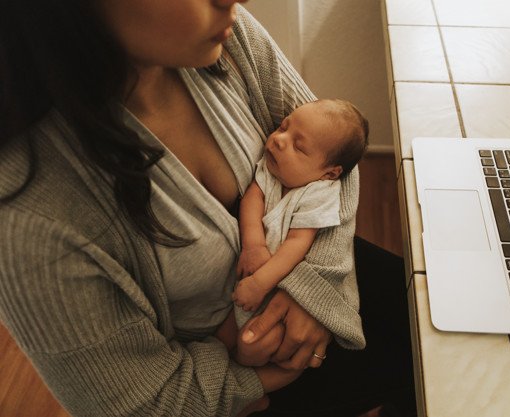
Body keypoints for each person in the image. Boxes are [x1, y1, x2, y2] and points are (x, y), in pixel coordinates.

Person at [0, 1, 416, 416]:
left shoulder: (224, 35)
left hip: (299, 270)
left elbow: (338, 155)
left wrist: (314, 288)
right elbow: (142, 403)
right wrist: (251, 382)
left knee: (437, 330)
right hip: (230, 379)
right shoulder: (27, 213)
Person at [216, 99, 369, 366]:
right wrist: (253, 246)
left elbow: (297, 244)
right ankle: (231, 380)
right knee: (221, 339)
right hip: (247, 282)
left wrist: (260, 283)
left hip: (281, 287)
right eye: (283, 127)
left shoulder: (319, 194)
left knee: (257, 343)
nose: (279, 140)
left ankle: (258, 381)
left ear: (328, 173)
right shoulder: (272, 169)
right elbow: (253, 198)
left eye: (298, 147)